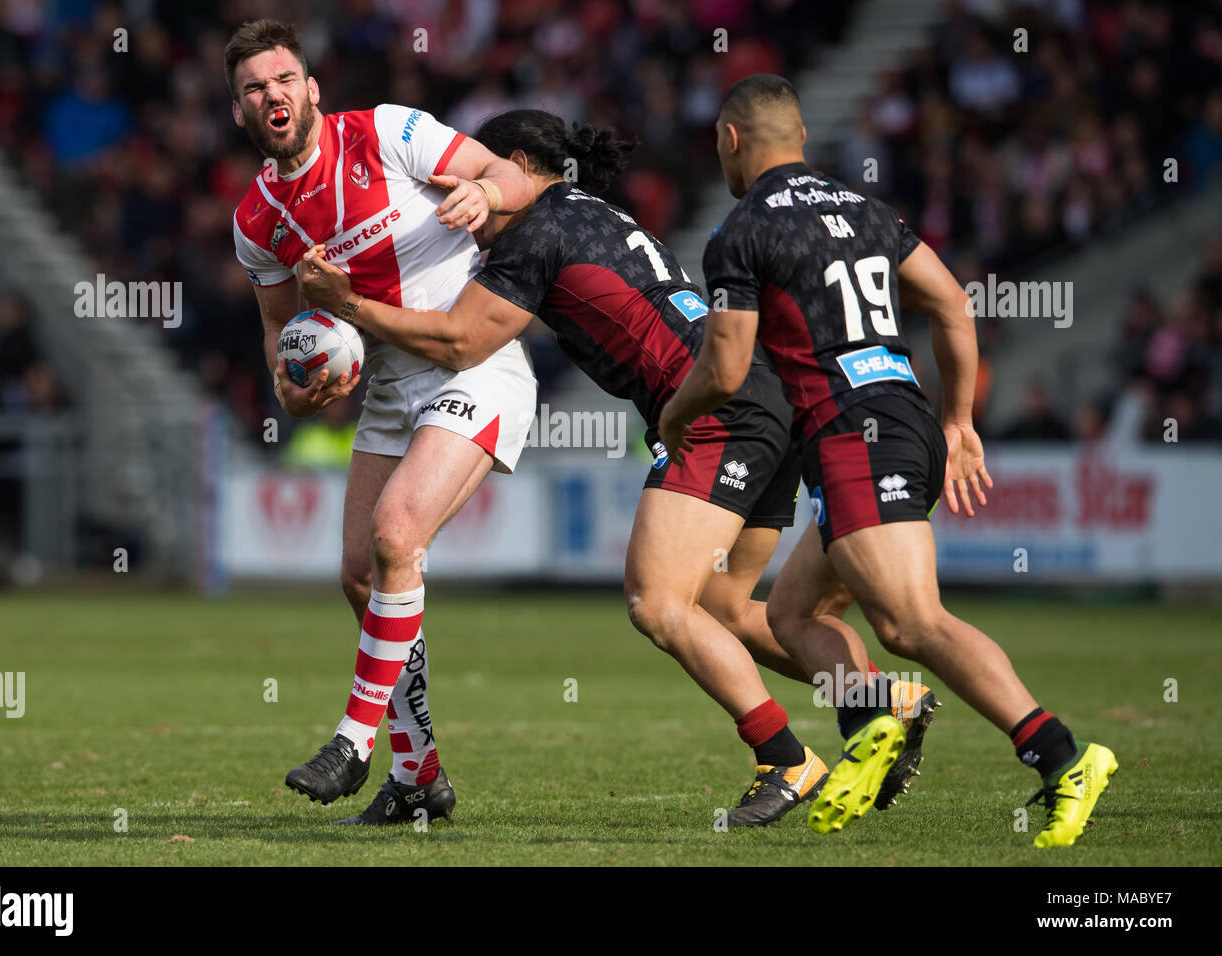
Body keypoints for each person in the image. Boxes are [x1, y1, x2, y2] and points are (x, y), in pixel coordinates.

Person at [299, 108, 936, 827]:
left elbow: (458, 343)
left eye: (480, 174)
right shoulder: (581, 210)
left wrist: (346, 302)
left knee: (656, 604)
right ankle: (879, 700)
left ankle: (785, 758)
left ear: (519, 163)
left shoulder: (535, 229)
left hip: (713, 410)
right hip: (765, 401)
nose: (464, 197)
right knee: (724, 610)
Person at [659, 74, 1116, 846]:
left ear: (730, 141)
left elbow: (728, 369)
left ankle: (1061, 756)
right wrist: (960, 417)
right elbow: (951, 303)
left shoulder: (739, 231)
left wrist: (672, 415)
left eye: (719, 145)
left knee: (911, 622)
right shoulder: (868, 210)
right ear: (802, 138)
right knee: (791, 613)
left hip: (851, 432)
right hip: (898, 417)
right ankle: (873, 717)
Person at [226, 18, 540, 825]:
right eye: (255, 87)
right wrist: (291, 386)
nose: (273, 95)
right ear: (240, 113)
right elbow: (277, 330)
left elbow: (504, 171)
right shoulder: (257, 218)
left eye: (284, 78)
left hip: (477, 361)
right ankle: (420, 777)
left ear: (312, 88)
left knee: (398, 536)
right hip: (394, 384)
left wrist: (486, 190)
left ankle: (354, 742)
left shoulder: (387, 133)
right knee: (361, 577)